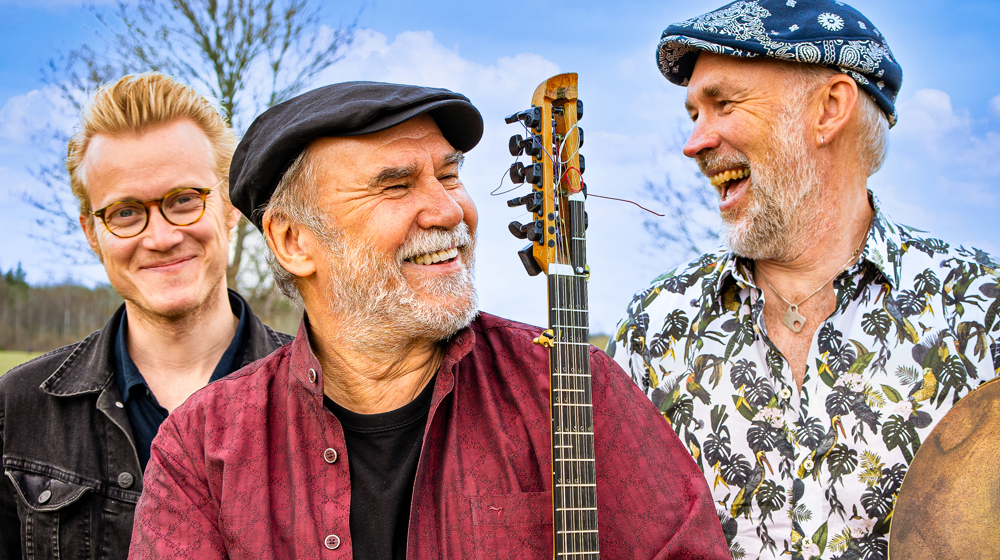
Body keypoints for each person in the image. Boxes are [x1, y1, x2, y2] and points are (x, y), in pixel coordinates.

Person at [128, 81, 731, 559]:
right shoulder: (202, 450)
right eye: (395, 186)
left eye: (449, 175)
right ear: (292, 242)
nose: (448, 211)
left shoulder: (572, 385)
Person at [607, 1, 1000, 559]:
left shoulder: (982, 311)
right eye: (694, 113)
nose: (694, 142)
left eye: (723, 104)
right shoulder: (653, 329)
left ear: (829, 108)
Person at [0, 73, 291, 559]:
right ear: (92, 234)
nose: (160, 238)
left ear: (229, 208)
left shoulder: (326, 394)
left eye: (184, 200)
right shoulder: (17, 410)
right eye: (126, 212)